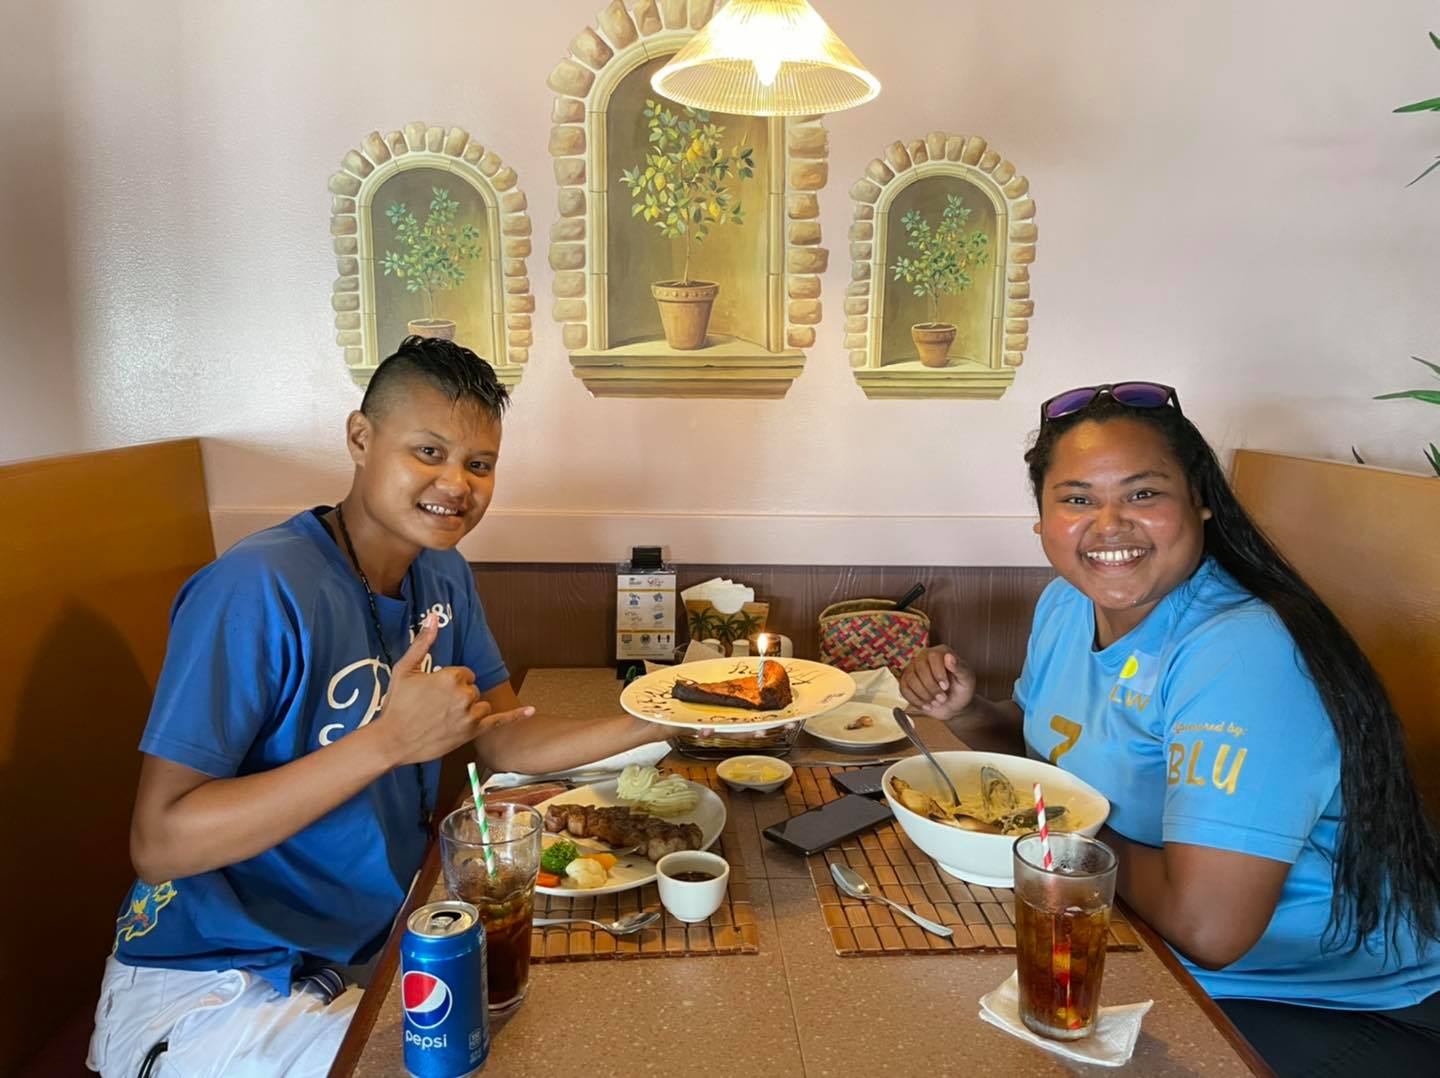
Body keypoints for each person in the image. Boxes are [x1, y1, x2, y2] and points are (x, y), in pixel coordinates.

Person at [87, 336, 669, 1078]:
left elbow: (502, 738)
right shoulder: (255, 588)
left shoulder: (442, 573)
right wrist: (387, 742)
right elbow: (160, 842)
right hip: (216, 980)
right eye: (428, 452)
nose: (456, 483)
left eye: (479, 464)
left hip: (369, 954)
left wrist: (663, 716)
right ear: (361, 438)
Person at [899, 382, 1440, 1076]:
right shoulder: (1066, 605)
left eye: (1144, 494)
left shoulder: (1238, 650)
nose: (1109, 524)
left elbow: (1208, 928)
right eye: (1077, 500)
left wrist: (1051, 837)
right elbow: (1047, 762)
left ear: (1200, 502)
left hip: (1329, 1003)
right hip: (1153, 951)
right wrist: (969, 711)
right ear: (1041, 520)